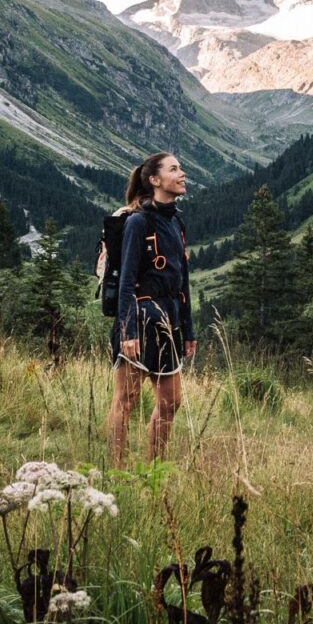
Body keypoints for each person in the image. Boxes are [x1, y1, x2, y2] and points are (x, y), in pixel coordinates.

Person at [103, 151, 195, 465]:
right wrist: (128, 332)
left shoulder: (177, 221)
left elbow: (182, 280)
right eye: (174, 169)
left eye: (180, 168)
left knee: (171, 402)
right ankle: (117, 469)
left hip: (169, 321)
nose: (182, 173)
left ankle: (153, 469)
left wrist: (189, 330)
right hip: (140, 319)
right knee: (126, 400)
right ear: (155, 180)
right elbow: (127, 281)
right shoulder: (138, 221)